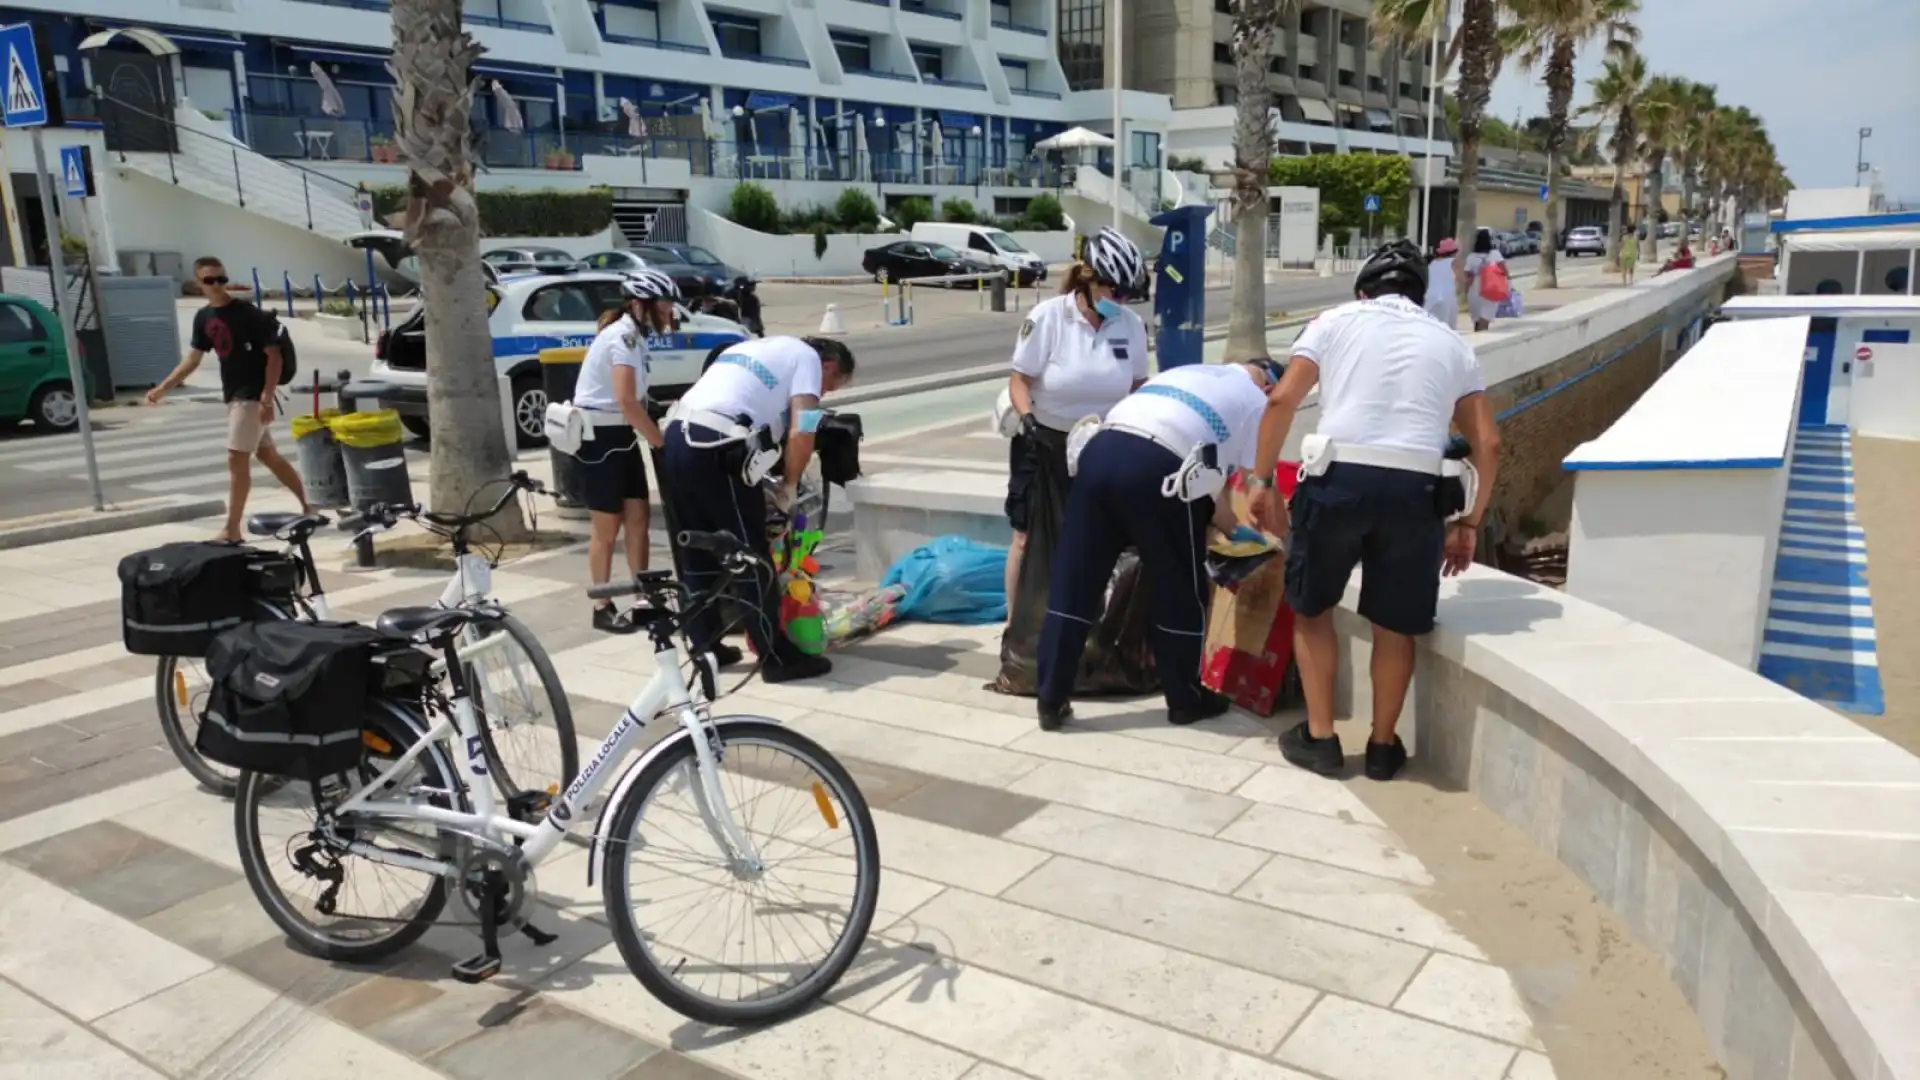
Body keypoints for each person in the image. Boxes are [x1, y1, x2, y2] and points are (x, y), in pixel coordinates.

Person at [1247, 241, 1502, 781]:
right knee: (1395, 626)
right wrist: (1470, 524)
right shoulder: (1451, 343)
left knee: (1313, 610)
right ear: (1417, 294)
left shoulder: (1335, 320)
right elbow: (1489, 443)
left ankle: (1320, 739)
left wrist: (1262, 481)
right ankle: (1384, 748)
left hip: (1339, 480)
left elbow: (1280, 400)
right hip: (1417, 492)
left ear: (1364, 291)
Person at [1034, 359, 1282, 732]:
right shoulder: (1257, 402)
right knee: (1179, 586)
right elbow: (1259, 483)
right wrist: (1284, 540)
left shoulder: (1191, 373)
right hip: (1160, 466)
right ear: (1268, 387)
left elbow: (1206, 485)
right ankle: (1185, 699)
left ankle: (1050, 698)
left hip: (1100, 452)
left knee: (1075, 582)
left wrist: (1233, 529)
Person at [661, 335, 855, 683]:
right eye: (829, 386)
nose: (822, 393)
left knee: (697, 552)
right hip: (717, 445)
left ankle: (705, 646)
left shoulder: (753, 348)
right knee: (751, 554)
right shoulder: (807, 359)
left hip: (676, 438)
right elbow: (802, 429)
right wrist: (789, 486)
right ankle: (775, 656)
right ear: (828, 366)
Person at [1002, 227, 1150, 602]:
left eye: (1129, 294)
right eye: (1116, 292)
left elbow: (1138, 386)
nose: (1122, 301)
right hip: (1044, 439)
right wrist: (1028, 420)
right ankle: (1017, 627)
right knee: (1027, 536)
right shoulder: (1049, 317)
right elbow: (1020, 380)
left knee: (1096, 535)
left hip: (1101, 446)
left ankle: (1084, 617)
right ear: (1089, 280)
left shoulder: (1130, 326)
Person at [146, 256, 308, 542]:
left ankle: (232, 529)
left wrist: (267, 398)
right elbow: (193, 359)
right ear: (199, 284)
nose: (218, 285)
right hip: (234, 395)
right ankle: (307, 507)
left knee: (236, 458)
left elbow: (274, 356)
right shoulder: (204, 318)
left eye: (221, 279)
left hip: (251, 395)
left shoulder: (247, 314)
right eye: (210, 281)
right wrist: (164, 387)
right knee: (268, 455)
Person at [573, 270, 675, 634]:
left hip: (621, 436)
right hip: (599, 440)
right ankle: (601, 605)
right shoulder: (622, 337)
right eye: (663, 302)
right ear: (639, 303)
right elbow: (626, 402)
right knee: (606, 528)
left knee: (638, 518)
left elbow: (637, 402)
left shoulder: (635, 336)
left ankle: (644, 598)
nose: (669, 309)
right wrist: (661, 444)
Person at [1462, 229, 1505, 332]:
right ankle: (1482, 334)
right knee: (1486, 316)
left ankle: (1477, 334)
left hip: (1475, 288)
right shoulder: (1495, 254)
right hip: (1491, 286)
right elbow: (1504, 271)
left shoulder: (1471, 257)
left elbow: (1468, 275)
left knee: (1476, 318)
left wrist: (1466, 290)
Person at [1424, 237, 1460, 326]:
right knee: (1447, 326)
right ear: (1454, 251)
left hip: (1430, 297)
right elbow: (1462, 278)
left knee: (1432, 324)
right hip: (1446, 297)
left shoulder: (1432, 263)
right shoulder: (1453, 262)